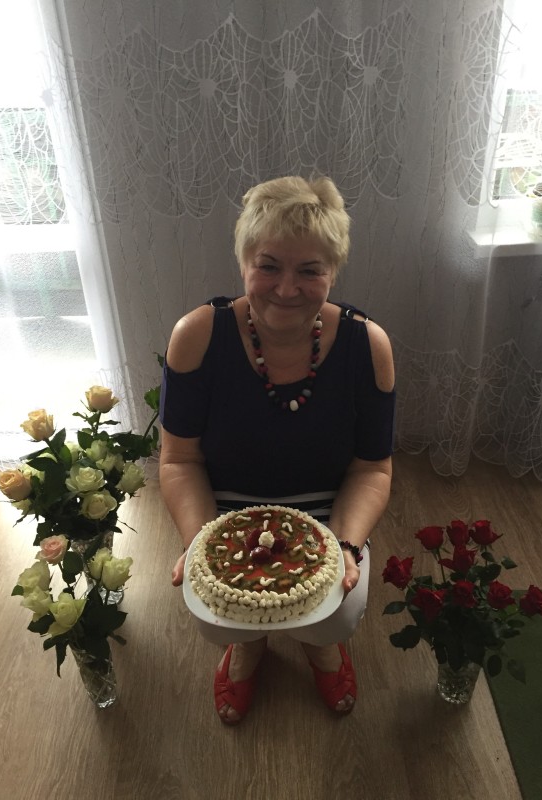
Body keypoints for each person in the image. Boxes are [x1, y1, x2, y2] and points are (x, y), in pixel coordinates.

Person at [159, 175, 395, 725]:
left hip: (326, 512)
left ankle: (321, 645)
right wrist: (200, 541)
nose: (287, 289)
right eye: (268, 266)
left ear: (333, 271)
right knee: (218, 616)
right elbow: (179, 460)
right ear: (244, 261)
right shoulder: (196, 334)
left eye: (310, 270)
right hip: (225, 513)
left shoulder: (368, 345)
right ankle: (248, 646)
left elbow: (372, 469)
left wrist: (346, 544)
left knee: (337, 612)